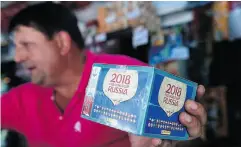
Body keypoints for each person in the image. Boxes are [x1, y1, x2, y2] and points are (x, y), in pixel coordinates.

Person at [1, 2, 207, 147]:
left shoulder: (125, 75)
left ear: (61, 42)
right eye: (16, 47)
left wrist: (183, 129)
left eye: (26, 45)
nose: (17, 57)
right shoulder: (24, 97)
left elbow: (180, 131)